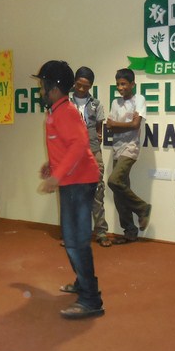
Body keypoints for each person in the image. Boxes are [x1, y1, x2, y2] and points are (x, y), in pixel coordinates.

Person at [34, 60, 105, 319]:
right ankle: (81, 282)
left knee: (76, 241)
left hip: (79, 182)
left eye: (42, 85)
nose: (40, 90)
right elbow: (66, 145)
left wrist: (57, 175)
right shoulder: (57, 110)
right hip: (72, 180)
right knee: (73, 238)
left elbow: (79, 144)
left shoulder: (65, 112)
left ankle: (91, 299)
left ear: (53, 88)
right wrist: (52, 166)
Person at [106, 68, 152, 244]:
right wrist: (124, 124)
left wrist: (118, 125)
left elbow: (135, 125)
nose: (120, 87)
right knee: (119, 193)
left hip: (131, 147)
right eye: (118, 84)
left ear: (132, 84)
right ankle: (130, 231)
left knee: (113, 181)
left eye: (124, 84)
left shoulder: (139, 99)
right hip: (117, 148)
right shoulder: (115, 102)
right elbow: (110, 127)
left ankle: (142, 208)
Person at [69, 66, 111, 247]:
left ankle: (101, 232)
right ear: (74, 82)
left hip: (93, 152)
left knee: (97, 192)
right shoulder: (65, 103)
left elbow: (99, 128)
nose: (81, 89)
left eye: (85, 86)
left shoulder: (96, 104)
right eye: (78, 85)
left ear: (91, 86)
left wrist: (96, 139)